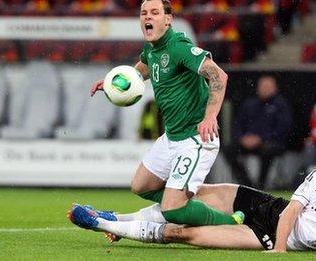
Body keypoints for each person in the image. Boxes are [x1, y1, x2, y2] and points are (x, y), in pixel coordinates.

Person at [69, 136, 316, 256]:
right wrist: (282, 247)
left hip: (264, 234)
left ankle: (103, 224)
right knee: (204, 193)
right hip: (272, 208)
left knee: (187, 234)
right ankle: (117, 219)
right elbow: (293, 208)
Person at [90, 0, 243, 226]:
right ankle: (184, 204)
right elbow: (142, 70)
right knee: (141, 185)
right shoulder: (151, 49)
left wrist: (210, 117)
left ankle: (232, 224)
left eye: (154, 13)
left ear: (168, 19)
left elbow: (219, 76)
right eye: (143, 13)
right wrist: (114, 83)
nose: (147, 17)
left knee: (172, 210)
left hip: (195, 138)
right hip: (171, 137)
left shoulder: (178, 45)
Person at [223, 75, 292, 189]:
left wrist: (261, 138)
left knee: (267, 151)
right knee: (228, 149)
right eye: (262, 86)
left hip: (270, 143)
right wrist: (242, 138)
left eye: (268, 86)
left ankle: (261, 186)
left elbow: (283, 128)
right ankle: (246, 184)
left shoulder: (281, 105)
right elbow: (237, 124)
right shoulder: (249, 104)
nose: (264, 89)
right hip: (247, 142)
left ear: (275, 88)